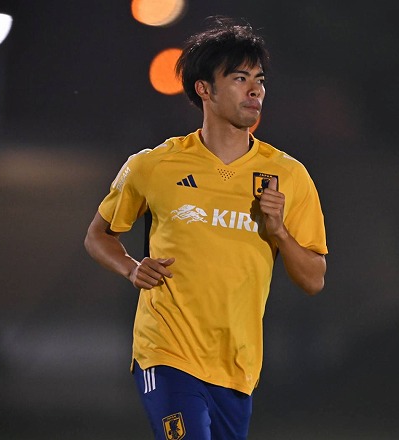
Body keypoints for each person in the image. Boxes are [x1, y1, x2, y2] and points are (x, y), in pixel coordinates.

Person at [84, 16, 327, 440]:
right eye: (239, 78)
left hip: (236, 367)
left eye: (259, 80)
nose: (255, 91)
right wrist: (131, 268)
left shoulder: (288, 175)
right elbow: (98, 235)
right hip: (167, 352)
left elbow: (314, 279)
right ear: (204, 90)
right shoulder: (154, 165)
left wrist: (280, 233)